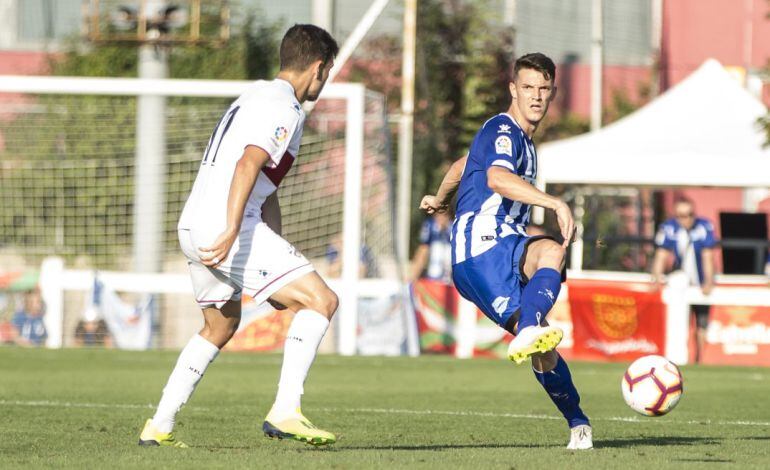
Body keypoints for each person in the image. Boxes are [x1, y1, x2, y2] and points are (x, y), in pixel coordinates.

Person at [139, 24, 340, 448]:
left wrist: (278, 254)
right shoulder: (285, 107)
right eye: (329, 70)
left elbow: (265, 187)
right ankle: (286, 411)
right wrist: (232, 229)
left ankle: (159, 426)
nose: (326, 80)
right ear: (318, 67)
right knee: (322, 301)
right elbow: (248, 165)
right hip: (224, 224)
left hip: (193, 223)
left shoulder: (254, 95)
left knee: (220, 324)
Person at [420, 53, 592, 450]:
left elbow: (465, 165)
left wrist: (439, 197)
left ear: (552, 93)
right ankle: (532, 326)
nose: (536, 96)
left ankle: (578, 424)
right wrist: (555, 203)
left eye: (543, 89)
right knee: (541, 329)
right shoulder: (503, 128)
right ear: (513, 90)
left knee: (551, 255)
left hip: (508, 243)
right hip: (478, 253)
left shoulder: (528, 146)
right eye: (528, 87)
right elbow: (496, 177)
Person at [651, 198, 716, 363]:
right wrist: (656, 276)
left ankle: (699, 360)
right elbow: (662, 255)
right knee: (681, 323)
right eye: (681, 215)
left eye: (689, 214)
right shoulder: (669, 228)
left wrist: (708, 282)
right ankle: (681, 358)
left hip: (699, 283)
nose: (686, 219)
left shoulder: (704, 227)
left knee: (702, 324)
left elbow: (708, 257)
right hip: (680, 285)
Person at [408, 211, 453, 283]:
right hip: (433, 279)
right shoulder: (430, 226)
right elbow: (422, 251)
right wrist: (413, 276)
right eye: (437, 215)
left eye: (444, 215)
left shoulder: (453, 228)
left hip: (450, 281)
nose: (440, 218)